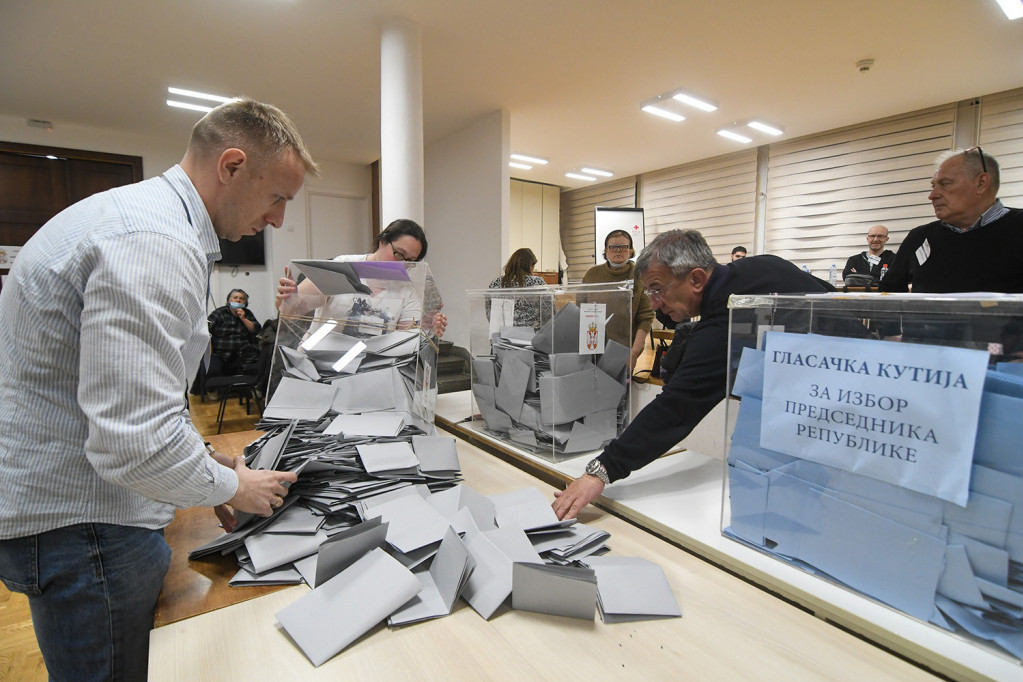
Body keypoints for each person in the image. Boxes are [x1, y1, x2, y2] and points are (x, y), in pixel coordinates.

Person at [0, 98, 314, 681]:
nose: (277, 220)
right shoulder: (154, 241)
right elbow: (134, 440)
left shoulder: (140, 219)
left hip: (79, 515)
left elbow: (148, 397)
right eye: (278, 197)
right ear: (232, 166)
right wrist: (231, 483)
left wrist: (202, 463)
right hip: (88, 527)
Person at [552, 229, 836, 521]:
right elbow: (833, 295)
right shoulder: (765, 265)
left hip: (828, 426)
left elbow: (676, 408)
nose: (654, 303)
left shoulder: (724, 324)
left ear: (696, 279)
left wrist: (600, 472)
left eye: (657, 289)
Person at [880, 148, 1023, 294]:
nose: (932, 195)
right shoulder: (919, 237)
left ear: (981, 183)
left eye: (945, 184)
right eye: (933, 186)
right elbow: (889, 292)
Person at [276, 218, 448, 337]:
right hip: (322, 367)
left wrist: (426, 327)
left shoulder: (405, 288)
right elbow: (293, 311)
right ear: (382, 241)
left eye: (411, 261)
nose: (402, 264)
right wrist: (289, 301)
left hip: (370, 370)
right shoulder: (344, 267)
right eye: (399, 254)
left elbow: (406, 333)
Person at [582, 230, 655, 371]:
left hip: (624, 352)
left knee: (620, 391)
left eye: (623, 246)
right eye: (613, 247)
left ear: (631, 250)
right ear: (606, 251)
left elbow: (646, 317)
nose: (618, 250)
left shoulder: (640, 275)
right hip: (592, 348)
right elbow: (579, 311)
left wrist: (633, 353)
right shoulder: (592, 275)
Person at [487, 247, 550, 331]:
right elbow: (549, 314)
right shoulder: (538, 283)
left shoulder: (496, 283)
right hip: (531, 337)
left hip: (503, 337)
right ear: (530, 266)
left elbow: (490, 314)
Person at [207, 288, 261, 377]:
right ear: (229, 301)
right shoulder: (220, 313)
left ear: (245, 303)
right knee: (212, 370)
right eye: (235, 297)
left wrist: (243, 319)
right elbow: (206, 330)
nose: (238, 300)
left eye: (241, 298)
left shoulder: (247, 313)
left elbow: (256, 330)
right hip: (220, 354)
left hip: (243, 354)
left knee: (258, 369)